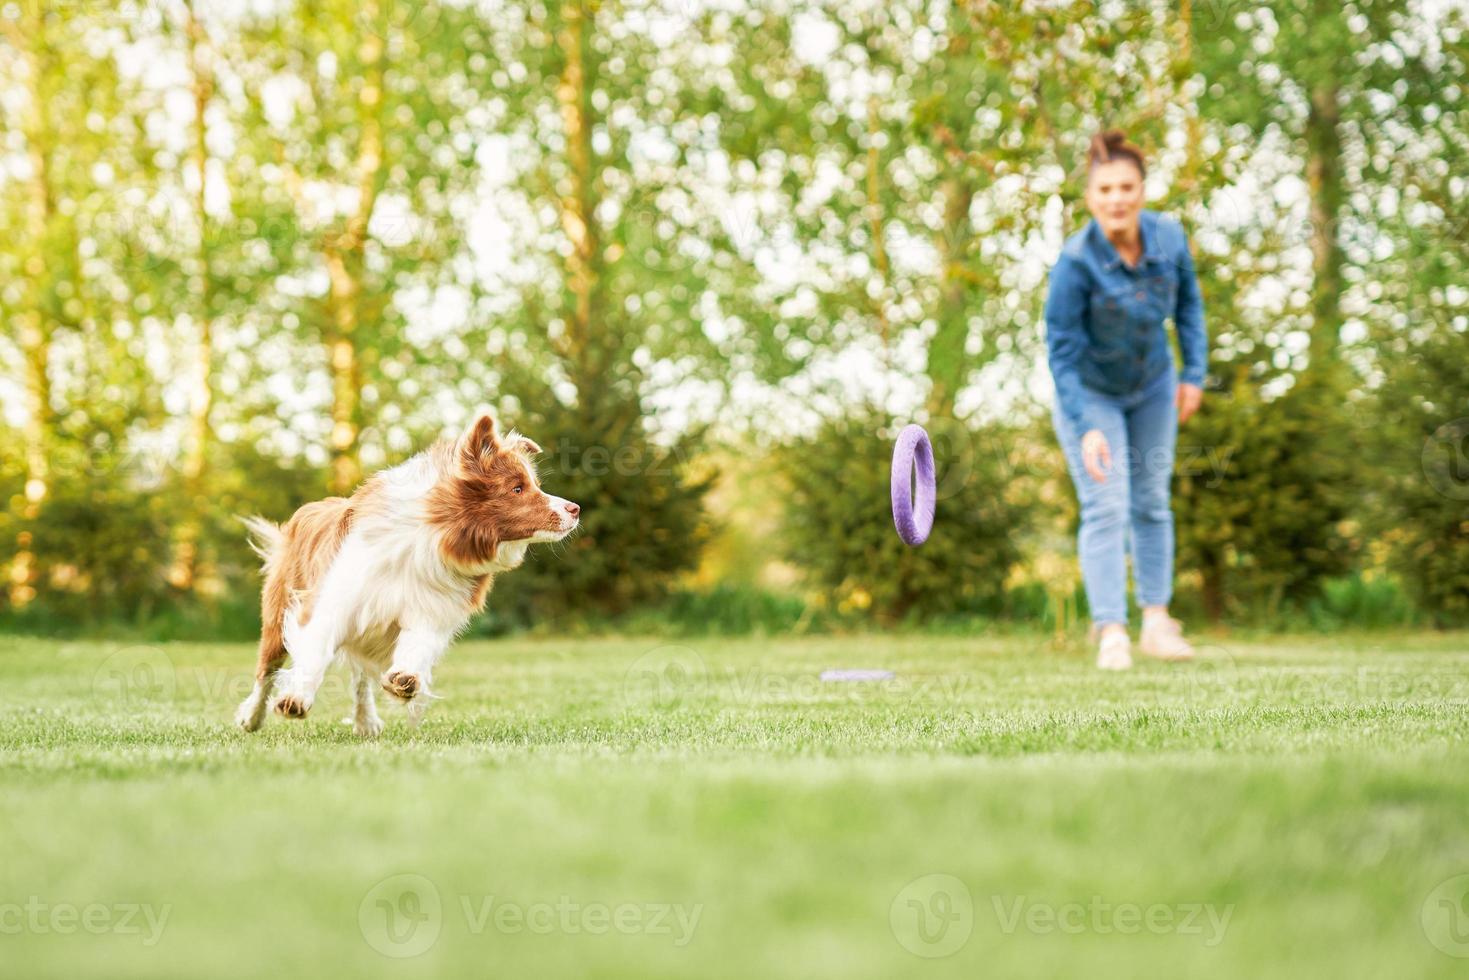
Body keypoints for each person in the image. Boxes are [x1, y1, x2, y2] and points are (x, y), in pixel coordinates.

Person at [1044, 129, 1208, 670]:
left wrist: (1194, 374)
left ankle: (1158, 623)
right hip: (1089, 394)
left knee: (1151, 502)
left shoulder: (1168, 237)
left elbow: (1189, 308)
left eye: (1126, 187)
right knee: (1106, 504)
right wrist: (1086, 423)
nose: (1117, 198)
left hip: (1154, 387)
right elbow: (1062, 355)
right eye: (1105, 189)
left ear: (1141, 190)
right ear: (1090, 198)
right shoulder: (1074, 264)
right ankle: (1112, 630)